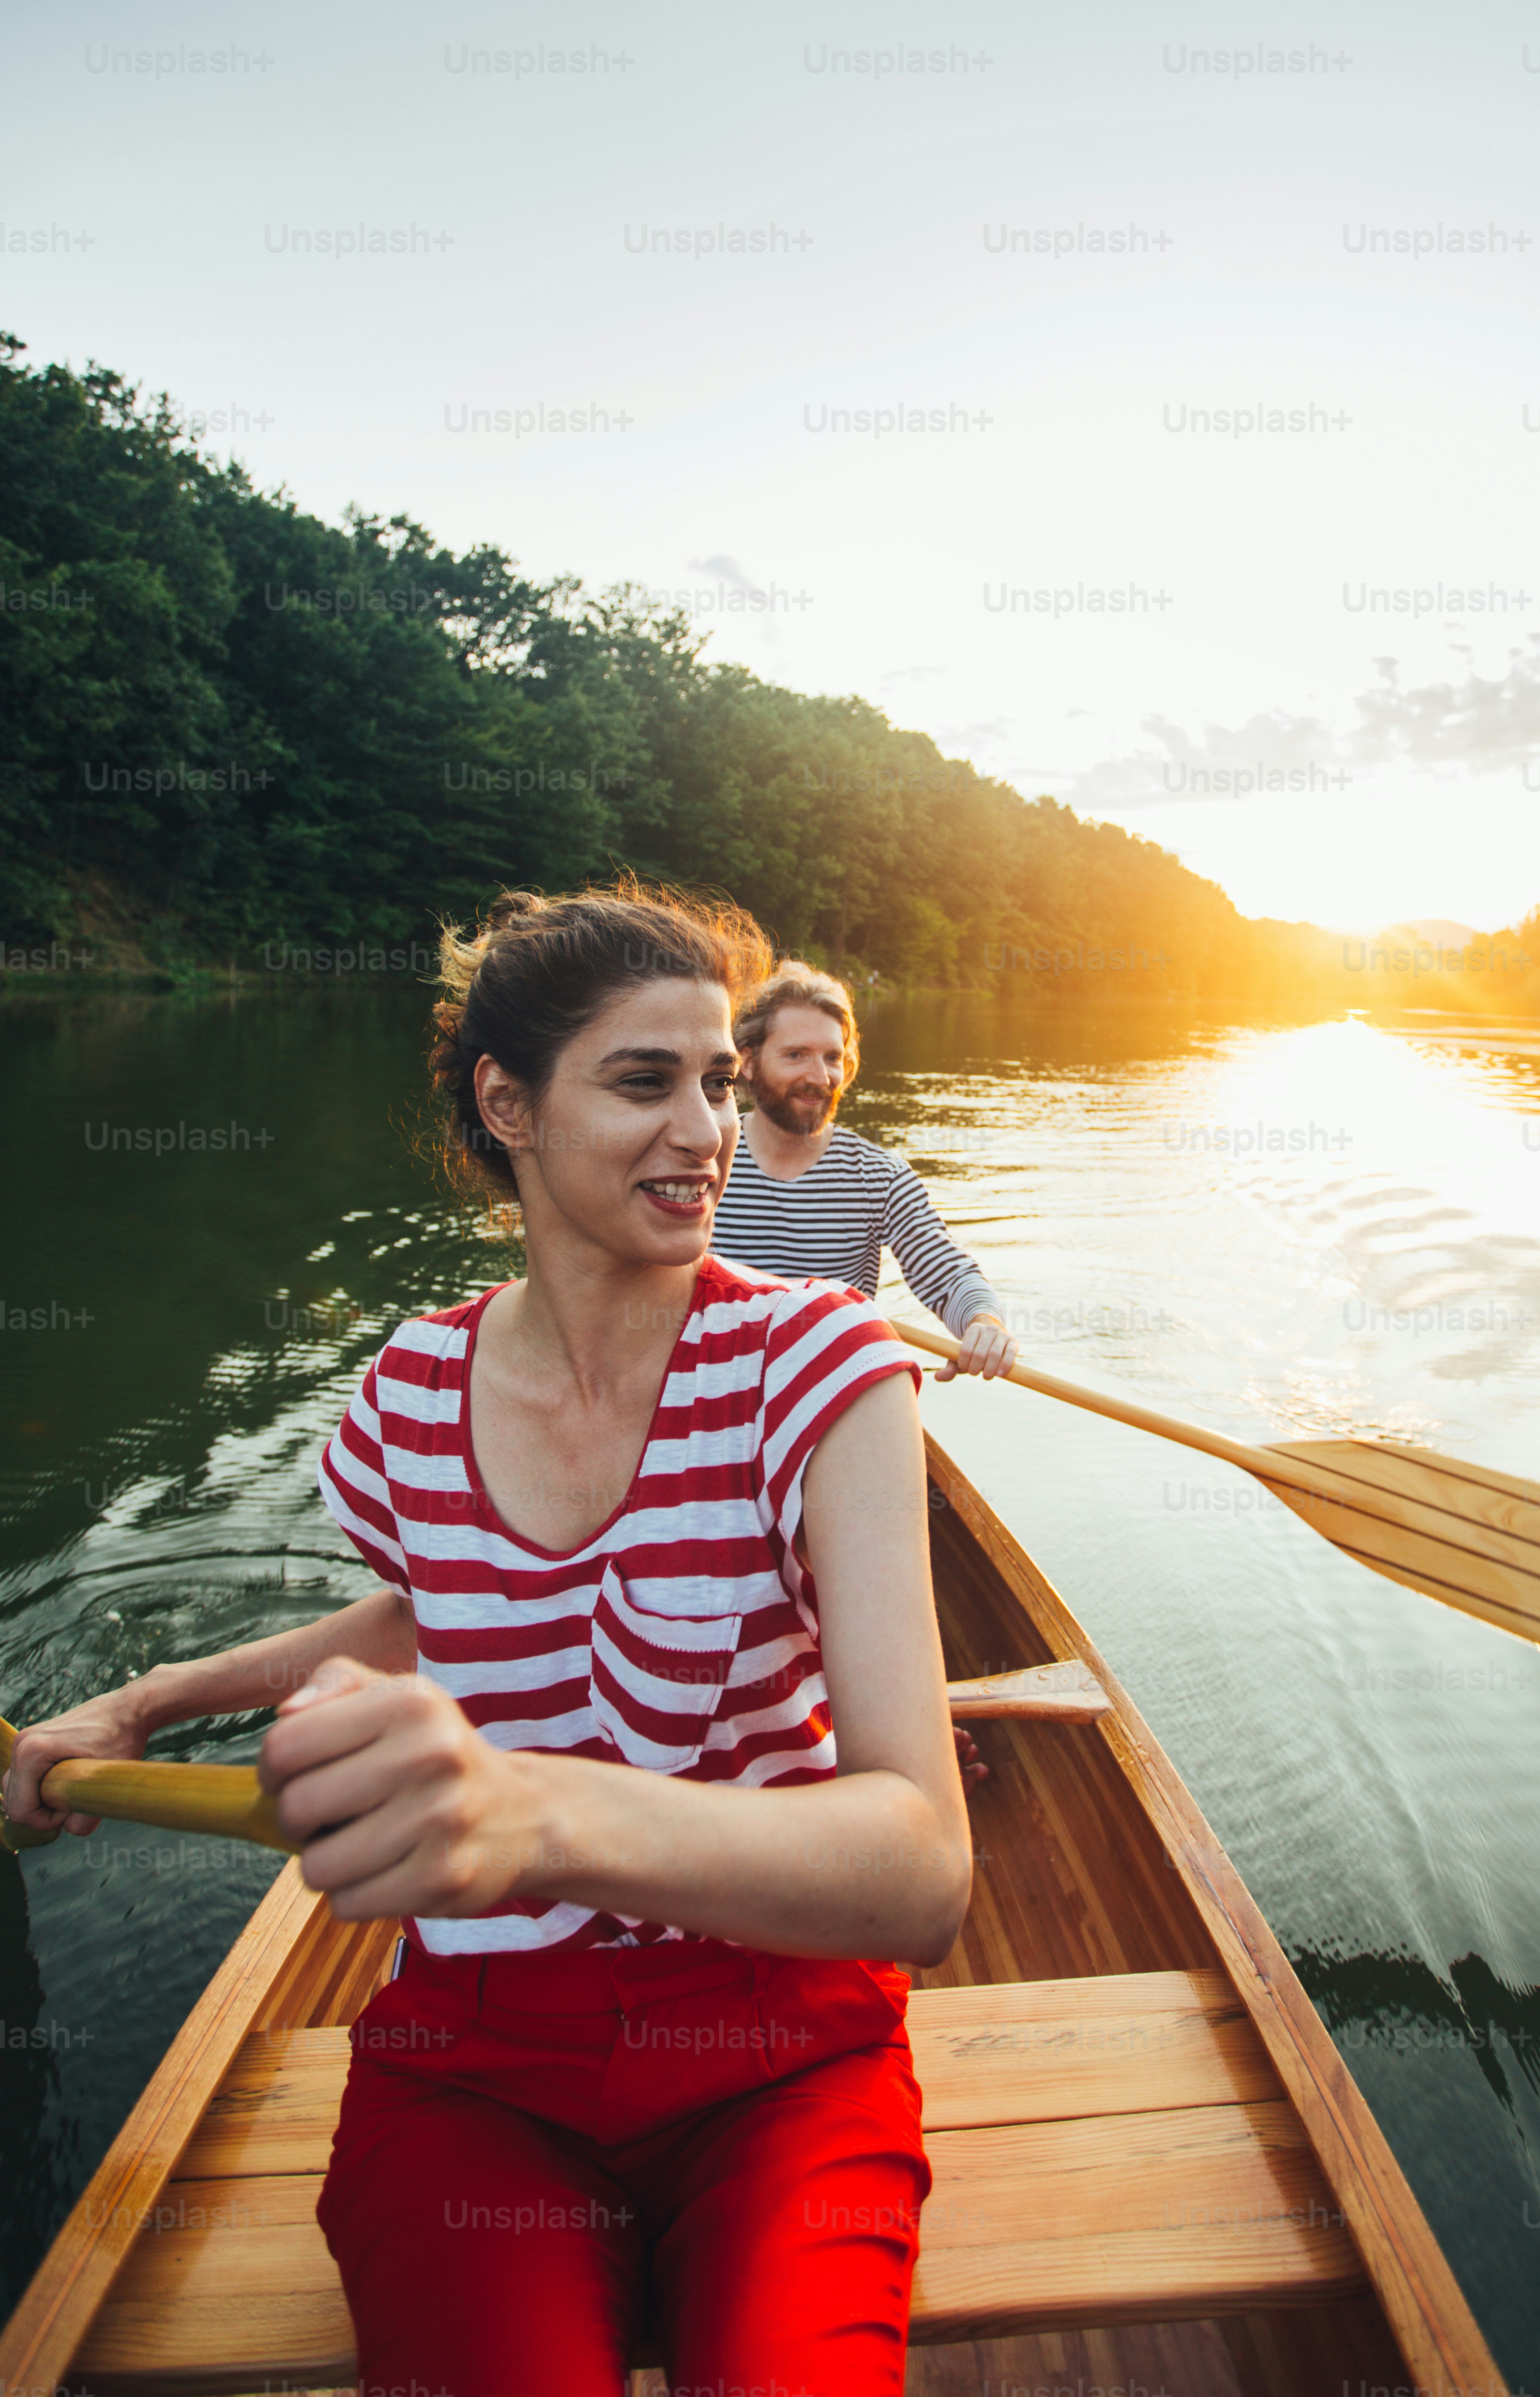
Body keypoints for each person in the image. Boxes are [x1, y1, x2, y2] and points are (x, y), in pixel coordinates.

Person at [4, 883, 972, 2397]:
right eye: (645, 1081)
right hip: (477, 2067)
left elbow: (921, 1870)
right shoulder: (407, 1393)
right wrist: (142, 1698)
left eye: (718, 1079)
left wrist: (532, 1814)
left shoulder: (825, 1368)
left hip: (784, 2050)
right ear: (506, 1103)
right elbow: (431, 1607)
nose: (709, 1127)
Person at [712, 962, 1020, 1382]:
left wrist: (984, 1323)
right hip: (719, 1380)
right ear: (747, 1062)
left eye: (832, 1058)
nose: (820, 1078)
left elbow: (947, 1273)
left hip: (829, 1389)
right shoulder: (707, 1158)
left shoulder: (880, 1176)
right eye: (796, 1055)